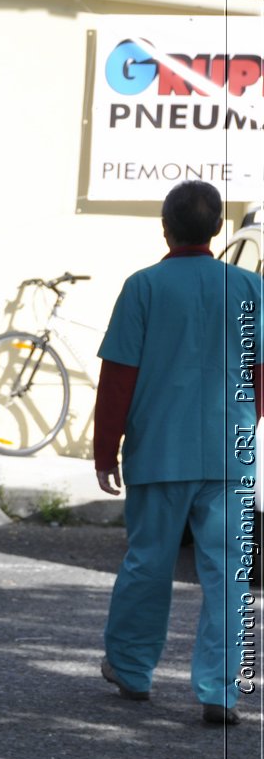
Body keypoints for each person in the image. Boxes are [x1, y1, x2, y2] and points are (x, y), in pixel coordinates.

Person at [94, 180, 261, 727]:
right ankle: (221, 690)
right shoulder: (248, 288)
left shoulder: (143, 287)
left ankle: (132, 669)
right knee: (229, 573)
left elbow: (118, 378)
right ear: (218, 229)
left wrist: (104, 450)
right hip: (229, 454)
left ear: (164, 227)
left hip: (159, 450)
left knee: (147, 563)